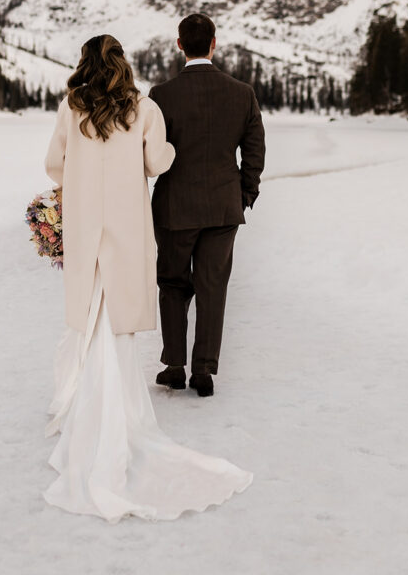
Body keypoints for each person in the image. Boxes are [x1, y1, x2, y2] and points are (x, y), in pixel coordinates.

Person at [42, 33, 252, 522]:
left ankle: (87, 406)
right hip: (125, 228)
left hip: (86, 225)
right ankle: (119, 412)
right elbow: (159, 162)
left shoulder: (70, 108)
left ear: (84, 64)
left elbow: (55, 166)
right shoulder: (143, 109)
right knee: (118, 318)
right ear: (123, 65)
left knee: (91, 315)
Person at [149, 14, 266, 397]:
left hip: (174, 207)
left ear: (180, 45)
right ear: (214, 43)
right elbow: (254, 153)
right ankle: (204, 371)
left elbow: (149, 153)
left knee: (172, 283)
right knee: (212, 285)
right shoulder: (242, 93)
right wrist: (244, 196)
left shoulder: (161, 96)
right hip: (223, 206)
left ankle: (175, 366)